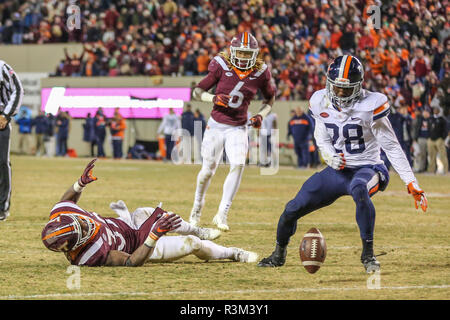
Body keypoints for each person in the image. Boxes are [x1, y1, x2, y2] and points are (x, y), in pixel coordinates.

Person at [258, 55, 428, 273]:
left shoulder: (371, 105)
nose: (339, 93)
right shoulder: (320, 100)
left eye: (346, 89)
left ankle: (368, 255)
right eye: (336, 88)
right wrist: (329, 155)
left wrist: (411, 181)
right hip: (337, 170)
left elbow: (392, 146)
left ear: (358, 87)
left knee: (359, 189)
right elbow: (322, 135)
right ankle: (278, 254)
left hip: (368, 168)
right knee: (292, 209)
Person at [41, 159, 258, 266]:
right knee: (192, 244)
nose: (86, 223)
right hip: (139, 245)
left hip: (124, 223)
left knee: (146, 211)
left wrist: (79, 184)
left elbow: (66, 201)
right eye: (84, 229)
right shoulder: (88, 255)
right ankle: (232, 253)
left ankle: (198, 229)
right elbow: (130, 262)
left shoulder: (63, 214)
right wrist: (154, 236)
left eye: (81, 221)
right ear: (76, 244)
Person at [188, 32, 276, 231]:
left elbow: (269, 99)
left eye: (247, 54)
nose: (244, 58)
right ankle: (196, 210)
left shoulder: (261, 71)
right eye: (241, 53)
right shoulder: (220, 64)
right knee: (206, 172)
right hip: (217, 125)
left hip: (239, 126)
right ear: (232, 52)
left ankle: (222, 214)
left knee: (237, 164)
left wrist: (261, 114)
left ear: (254, 54)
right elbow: (197, 91)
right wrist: (213, 99)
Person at [0, 60, 24, 221]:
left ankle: (2, 207)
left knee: (2, 162)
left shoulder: (1, 67)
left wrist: (6, 115)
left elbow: (18, 89)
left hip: (0, 121)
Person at [427, 106, 448, 174]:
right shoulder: (430, 118)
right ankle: (431, 171)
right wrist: (429, 136)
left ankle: (446, 170)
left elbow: (446, 129)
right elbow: (428, 128)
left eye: (437, 110)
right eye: (434, 109)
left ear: (439, 111)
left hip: (439, 139)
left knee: (443, 155)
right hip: (431, 139)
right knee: (431, 156)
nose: (435, 111)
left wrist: (443, 138)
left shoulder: (442, 119)